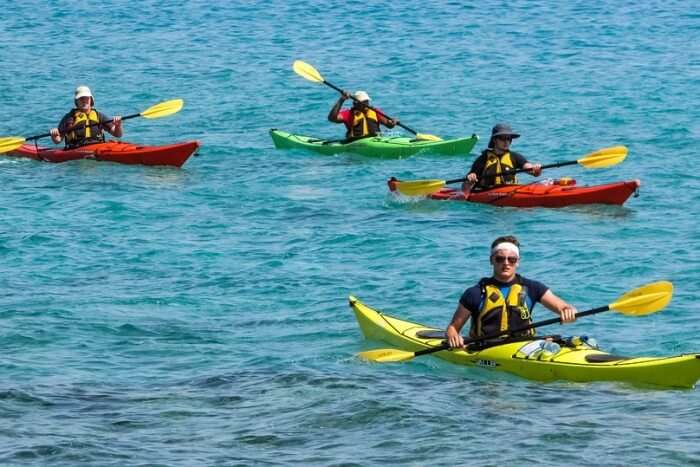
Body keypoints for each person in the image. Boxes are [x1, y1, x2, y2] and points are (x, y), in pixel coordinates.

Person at [446, 235, 577, 349]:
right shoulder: (474, 293)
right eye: (500, 259)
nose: (506, 263)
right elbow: (453, 328)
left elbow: (564, 307)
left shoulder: (533, 287)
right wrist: (454, 337)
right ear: (491, 260)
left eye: (511, 259)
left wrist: (568, 312)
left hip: (525, 345)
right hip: (486, 348)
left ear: (517, 262)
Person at [463, 123, 542, 192]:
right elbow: (465, 185)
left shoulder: (515, 156)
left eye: (509, 139)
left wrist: (535, 169)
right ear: (494, 140)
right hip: (487, 193)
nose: (506, 142)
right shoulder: (482, 159)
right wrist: (470, 179)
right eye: (502, 138)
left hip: (511, 191)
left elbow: (531, 170)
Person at [50, 86, 123, 149]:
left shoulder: (99, 116)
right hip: (76, 149)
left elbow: (118, 134)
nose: (84, 101)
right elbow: (58, 140)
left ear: (91, 100)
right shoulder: (69, 118)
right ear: (76, 101)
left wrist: (118, 125)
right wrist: (54, 135)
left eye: (86, 98)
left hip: (98, 147)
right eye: (81, 98)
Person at [327, 90, 398, 140]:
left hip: (375, 140)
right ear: (355, 104)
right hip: (355, 142)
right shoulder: (349, 113)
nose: (366, 104)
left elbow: (389, 125)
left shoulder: (375, 112)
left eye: (367, 101)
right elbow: (331, 118)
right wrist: (341, 100)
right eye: (363, 102)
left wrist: (392, 123)